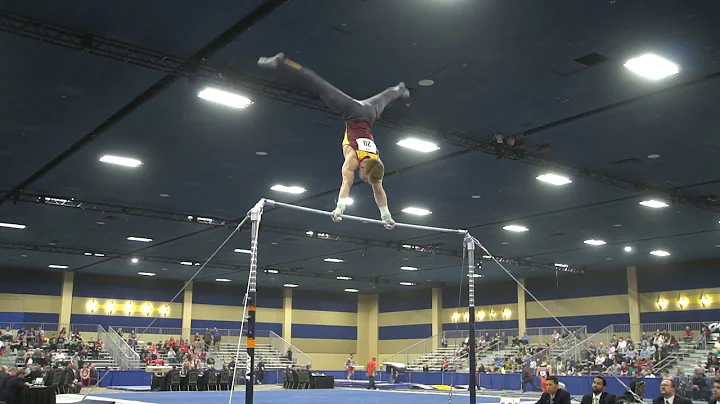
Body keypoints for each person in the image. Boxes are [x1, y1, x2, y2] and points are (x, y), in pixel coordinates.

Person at [258, 53, 410, 229]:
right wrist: (339, 208)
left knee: (387, 96)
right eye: (365, 178)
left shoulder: (376, 166)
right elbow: (346, 183)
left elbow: (378, 189)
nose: (365, 181)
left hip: (369, 114)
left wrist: (386, 216)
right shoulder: (353, 159)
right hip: (352, 111)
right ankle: (282, 62)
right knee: (318, 84)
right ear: (361, 167)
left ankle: (400, 89)